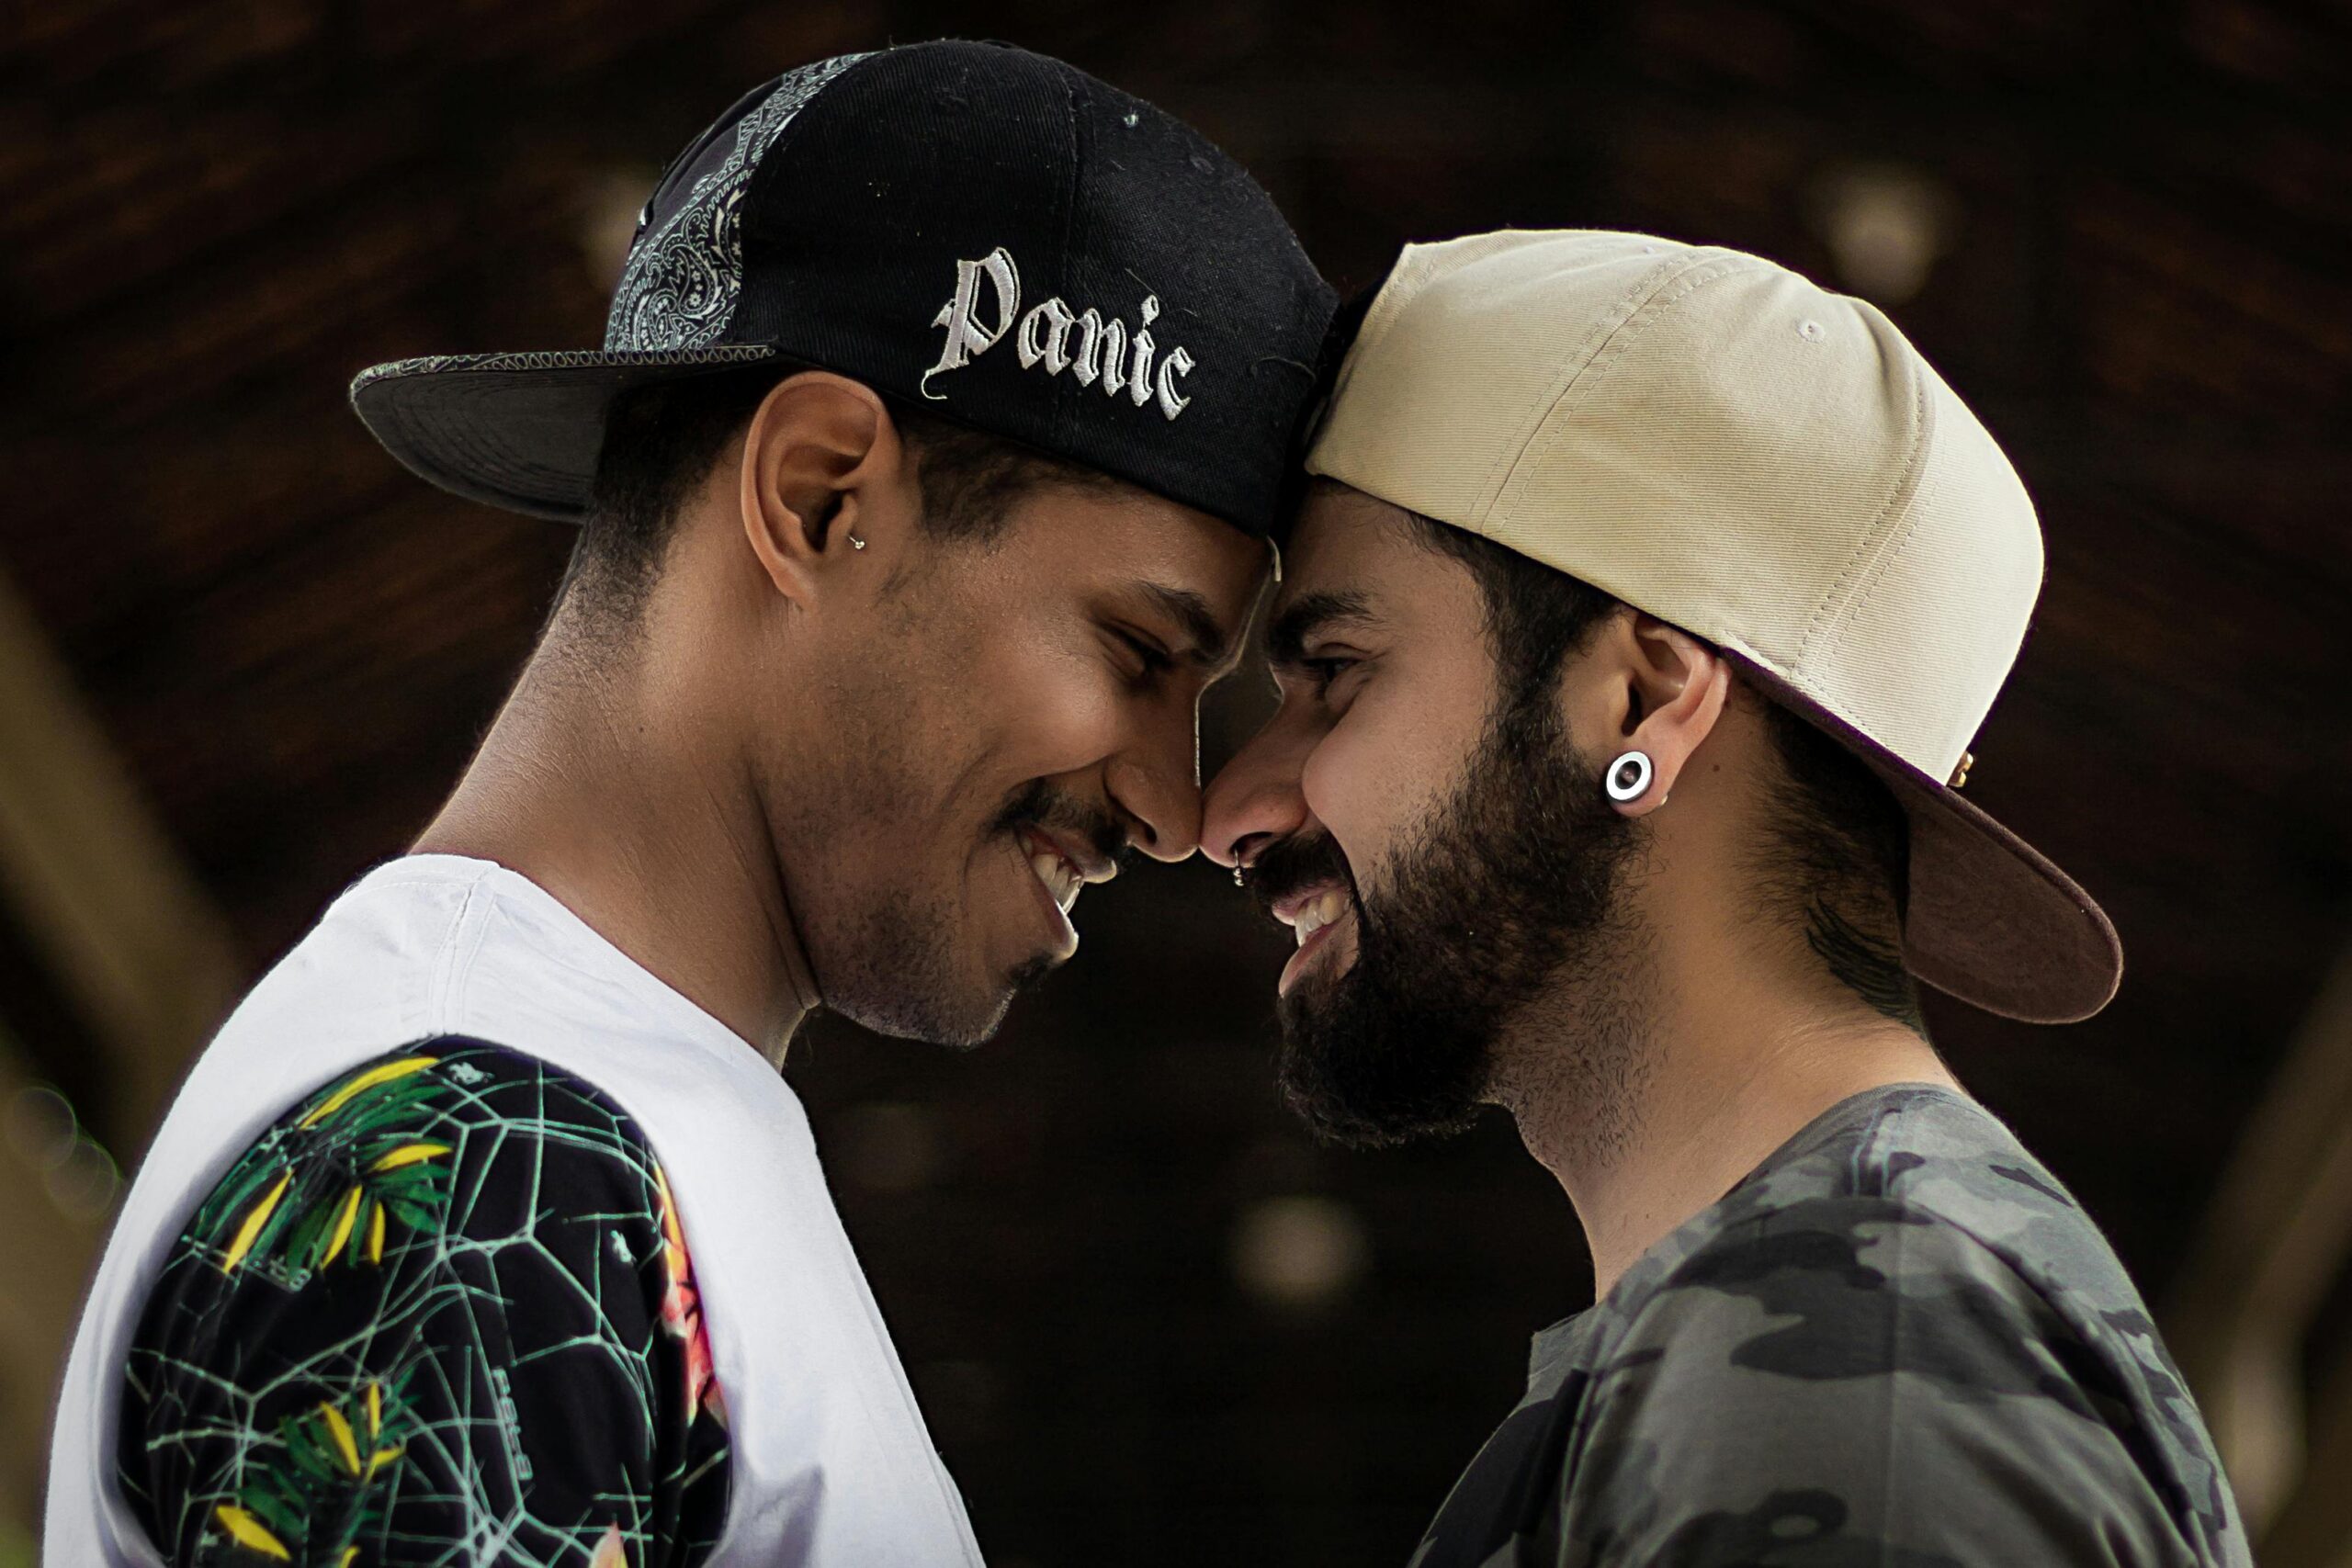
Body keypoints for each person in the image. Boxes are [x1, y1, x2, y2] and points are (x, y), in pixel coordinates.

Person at [50, 40, 1333, 1568]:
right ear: (816, 498)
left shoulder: (603, 1133)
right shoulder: (471, 1181)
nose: (1175, 810)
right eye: (1138, 651)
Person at [1202, 231, 2250, 1566]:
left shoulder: (1857, 1356)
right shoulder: (1814, 1322)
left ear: (1643, 696)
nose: (1228, 810)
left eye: (1336, 670)